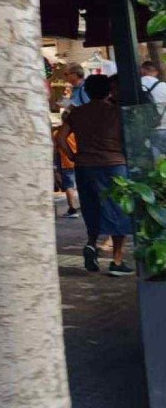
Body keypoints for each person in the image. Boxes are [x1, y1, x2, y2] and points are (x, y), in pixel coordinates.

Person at [56, 75, 135, 277]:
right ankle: (117, 261)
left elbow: (61, 138)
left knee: (92, 207)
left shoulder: (77, 113)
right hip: (114, 165)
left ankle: (91, 244)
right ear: (108, 90)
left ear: (87, 91)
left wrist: (73, 155)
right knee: (118, 210)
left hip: (85, 166)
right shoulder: (117, 113)